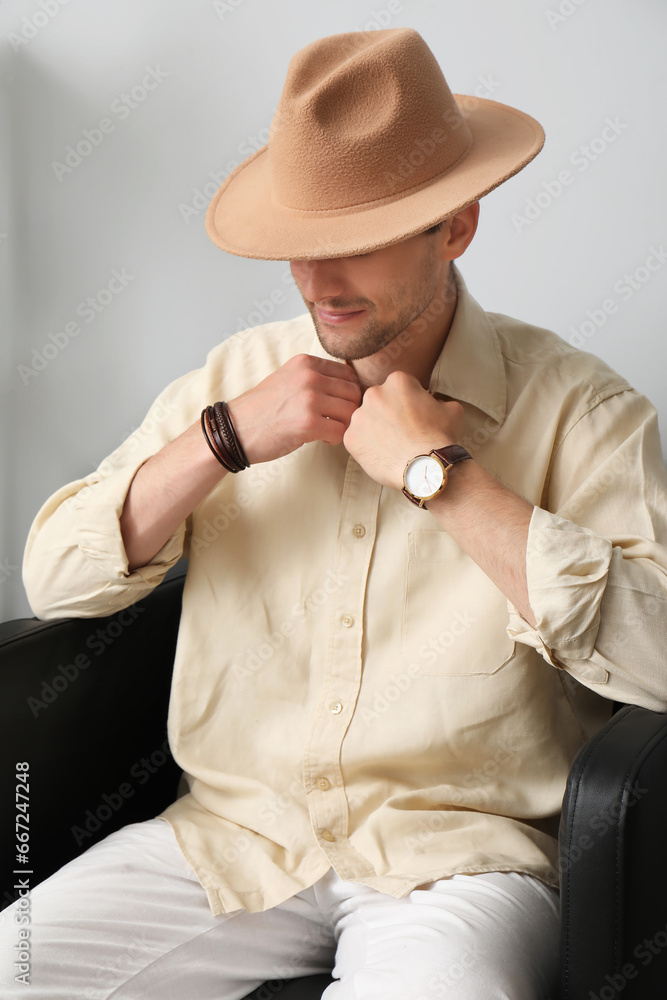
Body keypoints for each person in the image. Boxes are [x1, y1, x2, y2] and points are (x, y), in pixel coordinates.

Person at [4, 26, 667, 1000]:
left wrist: (443, 476)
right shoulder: (234, 380)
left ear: (456, 224)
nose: (317, 280)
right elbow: (53, 576)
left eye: (353, 239)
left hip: (458, 862)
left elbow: (656, 654)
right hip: (230, 842)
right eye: (299, 245)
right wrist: (222, 439)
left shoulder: (584, 411)